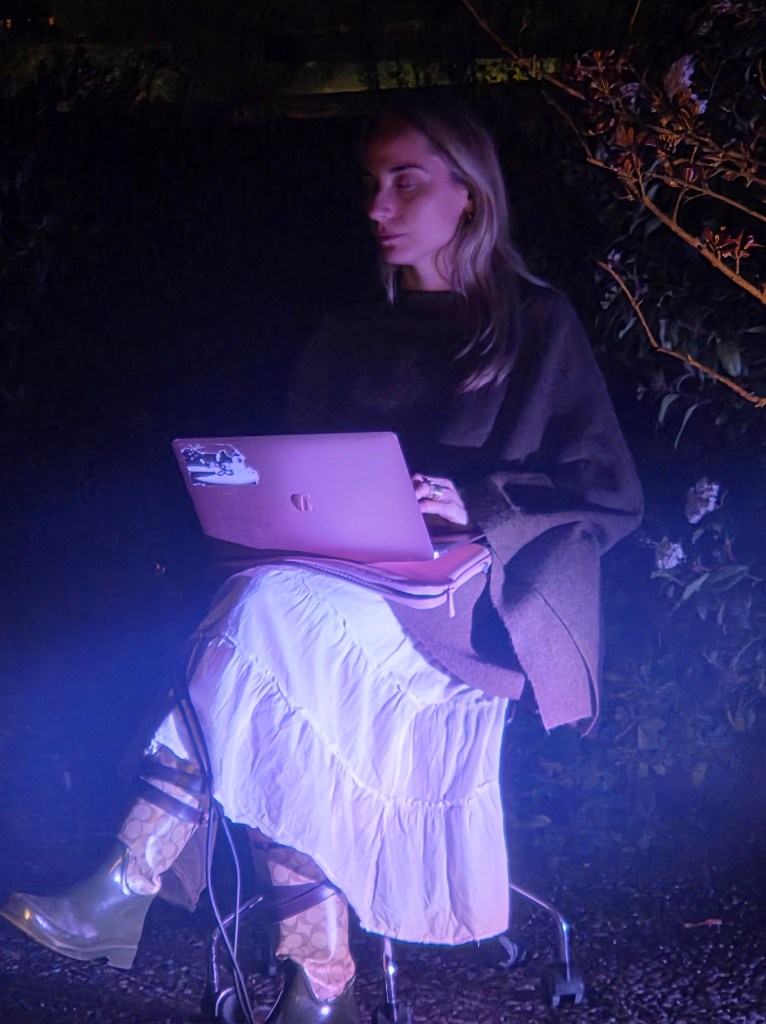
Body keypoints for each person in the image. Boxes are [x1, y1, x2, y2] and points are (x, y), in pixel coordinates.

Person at [1, 100, 643, 1023]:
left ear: (469, 195)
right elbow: (300, 479)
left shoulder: (535, 327)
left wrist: (479, 503)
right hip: (328, 592)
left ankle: (139, 884)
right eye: (372, 184)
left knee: (259, 623)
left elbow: (610, 494)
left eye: (405, 182)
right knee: (266, 654)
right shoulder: (348, 335)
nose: (378, 205)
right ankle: (313, 978)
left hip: (459, 608)